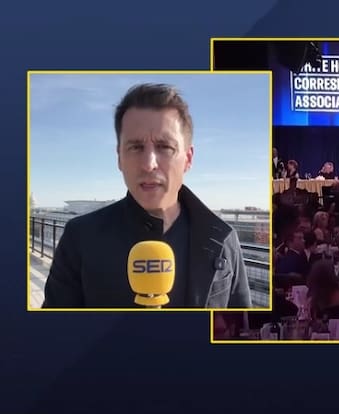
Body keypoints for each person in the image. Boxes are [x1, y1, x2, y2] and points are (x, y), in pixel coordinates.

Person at [43, 83, 252, 308]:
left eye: (165, 147)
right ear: (119, 158)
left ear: (188, 159)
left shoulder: (224, 238)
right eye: (135, 147)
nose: (149, 164)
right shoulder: (79, 238)